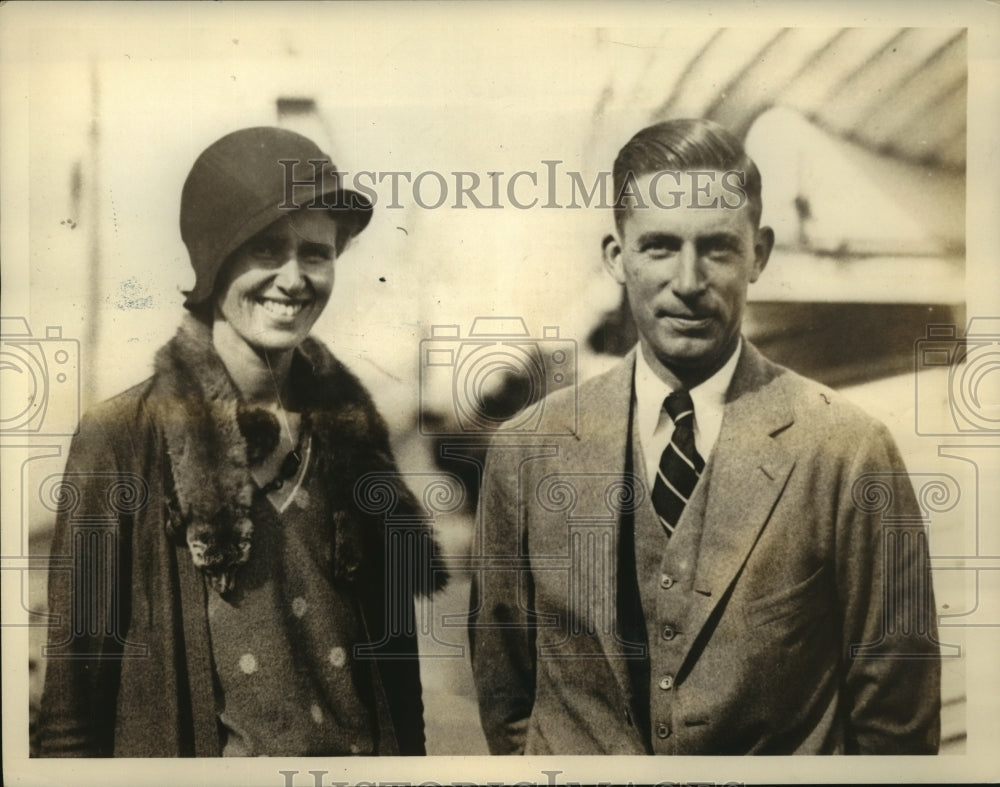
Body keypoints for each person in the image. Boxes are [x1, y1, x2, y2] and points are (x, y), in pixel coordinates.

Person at [469, 118, 941, 755]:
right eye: (660, 246)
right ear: (617, 256)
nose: (688, 282)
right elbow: (508, 700)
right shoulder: (528, 451)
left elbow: (896, 723)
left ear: (759, 254)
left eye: (717, 247)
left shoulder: (847, 452)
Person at [37, 126, 445, 757]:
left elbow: (398, 682)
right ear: (213, 259)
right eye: (265, 249)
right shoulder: (121, 439)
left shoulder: (352, 433)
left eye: (316, 253)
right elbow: (69, 713)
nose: (294, 278)